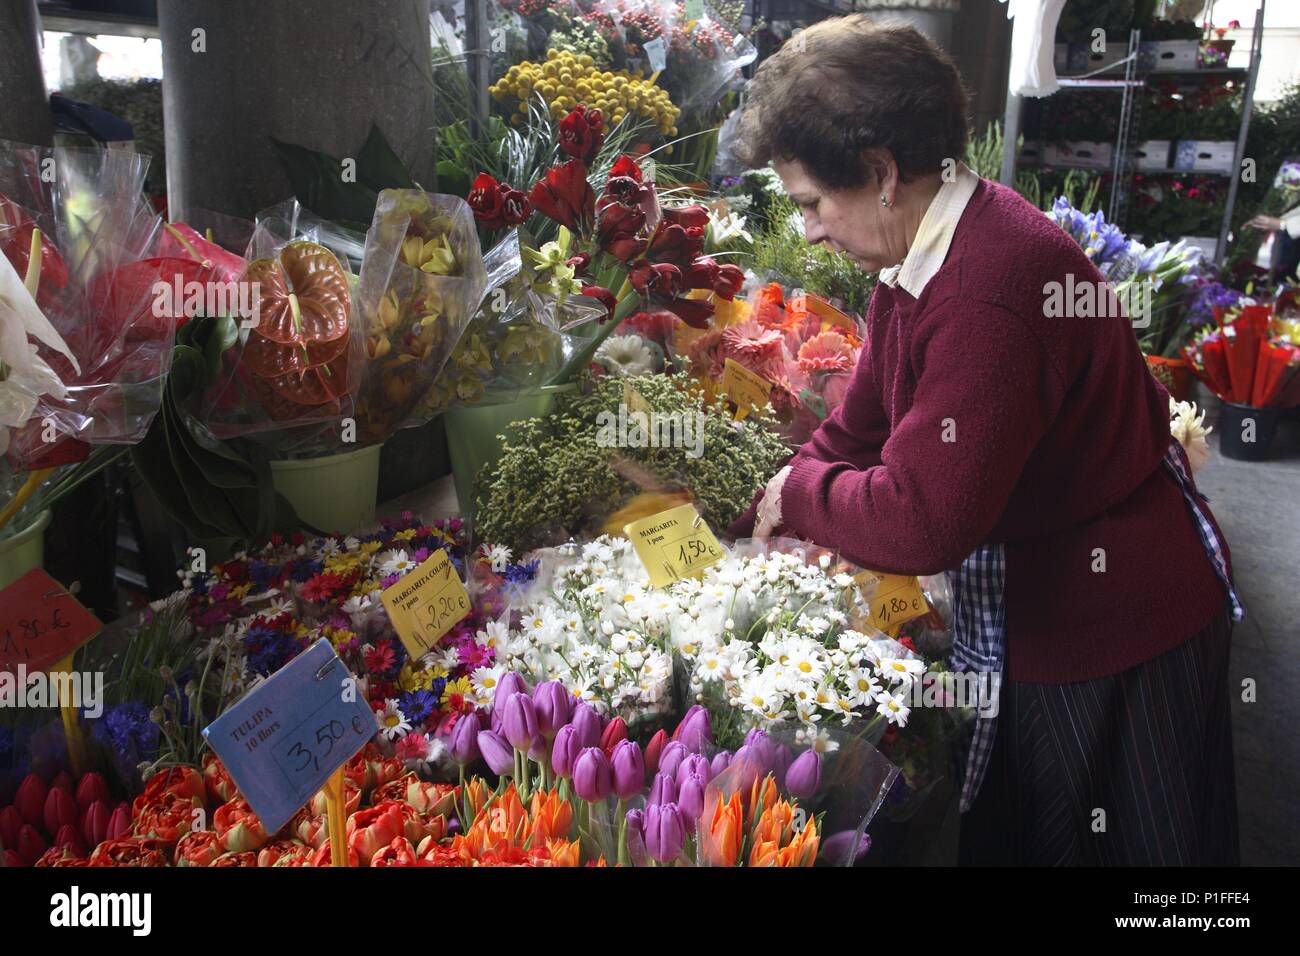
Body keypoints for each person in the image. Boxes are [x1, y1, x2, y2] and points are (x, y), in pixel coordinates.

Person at [729, 14, 1242, 865]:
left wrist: (799, 496)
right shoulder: (928, 248)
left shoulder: (986, 289)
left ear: (881, 173)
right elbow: (860, 425)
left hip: (1110, 625)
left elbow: (925, 519)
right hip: (1048, 602)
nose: (811, 229)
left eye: (814, 204)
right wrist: (795, 484)